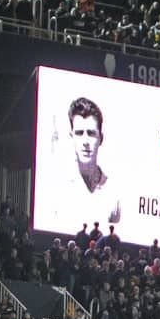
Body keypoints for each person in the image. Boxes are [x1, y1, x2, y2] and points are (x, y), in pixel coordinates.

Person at [61, 97, 122, 230]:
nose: (85, 141)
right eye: (79, 133)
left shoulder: (113, 193)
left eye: (91, 134)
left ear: (101, 138)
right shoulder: (60, 186)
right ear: (71, 137)